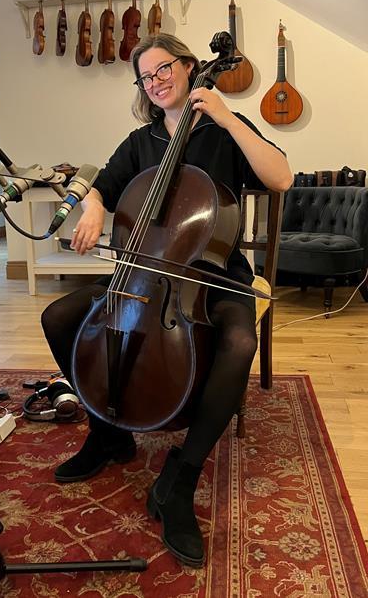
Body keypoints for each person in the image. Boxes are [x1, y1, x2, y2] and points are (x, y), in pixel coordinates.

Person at [41, 33, 293, 567]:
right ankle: (107, 434)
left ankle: (180, 477)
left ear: (188, 65)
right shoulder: (140, 142)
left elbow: (281, 177)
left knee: (240, 341)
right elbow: (99, 185)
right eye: (146, 77)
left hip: (214, 274)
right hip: (142, 274)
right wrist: (90, 204)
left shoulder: (225, 131)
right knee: (59, 315)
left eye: (164, 70)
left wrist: (228, 118)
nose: (156, 82)